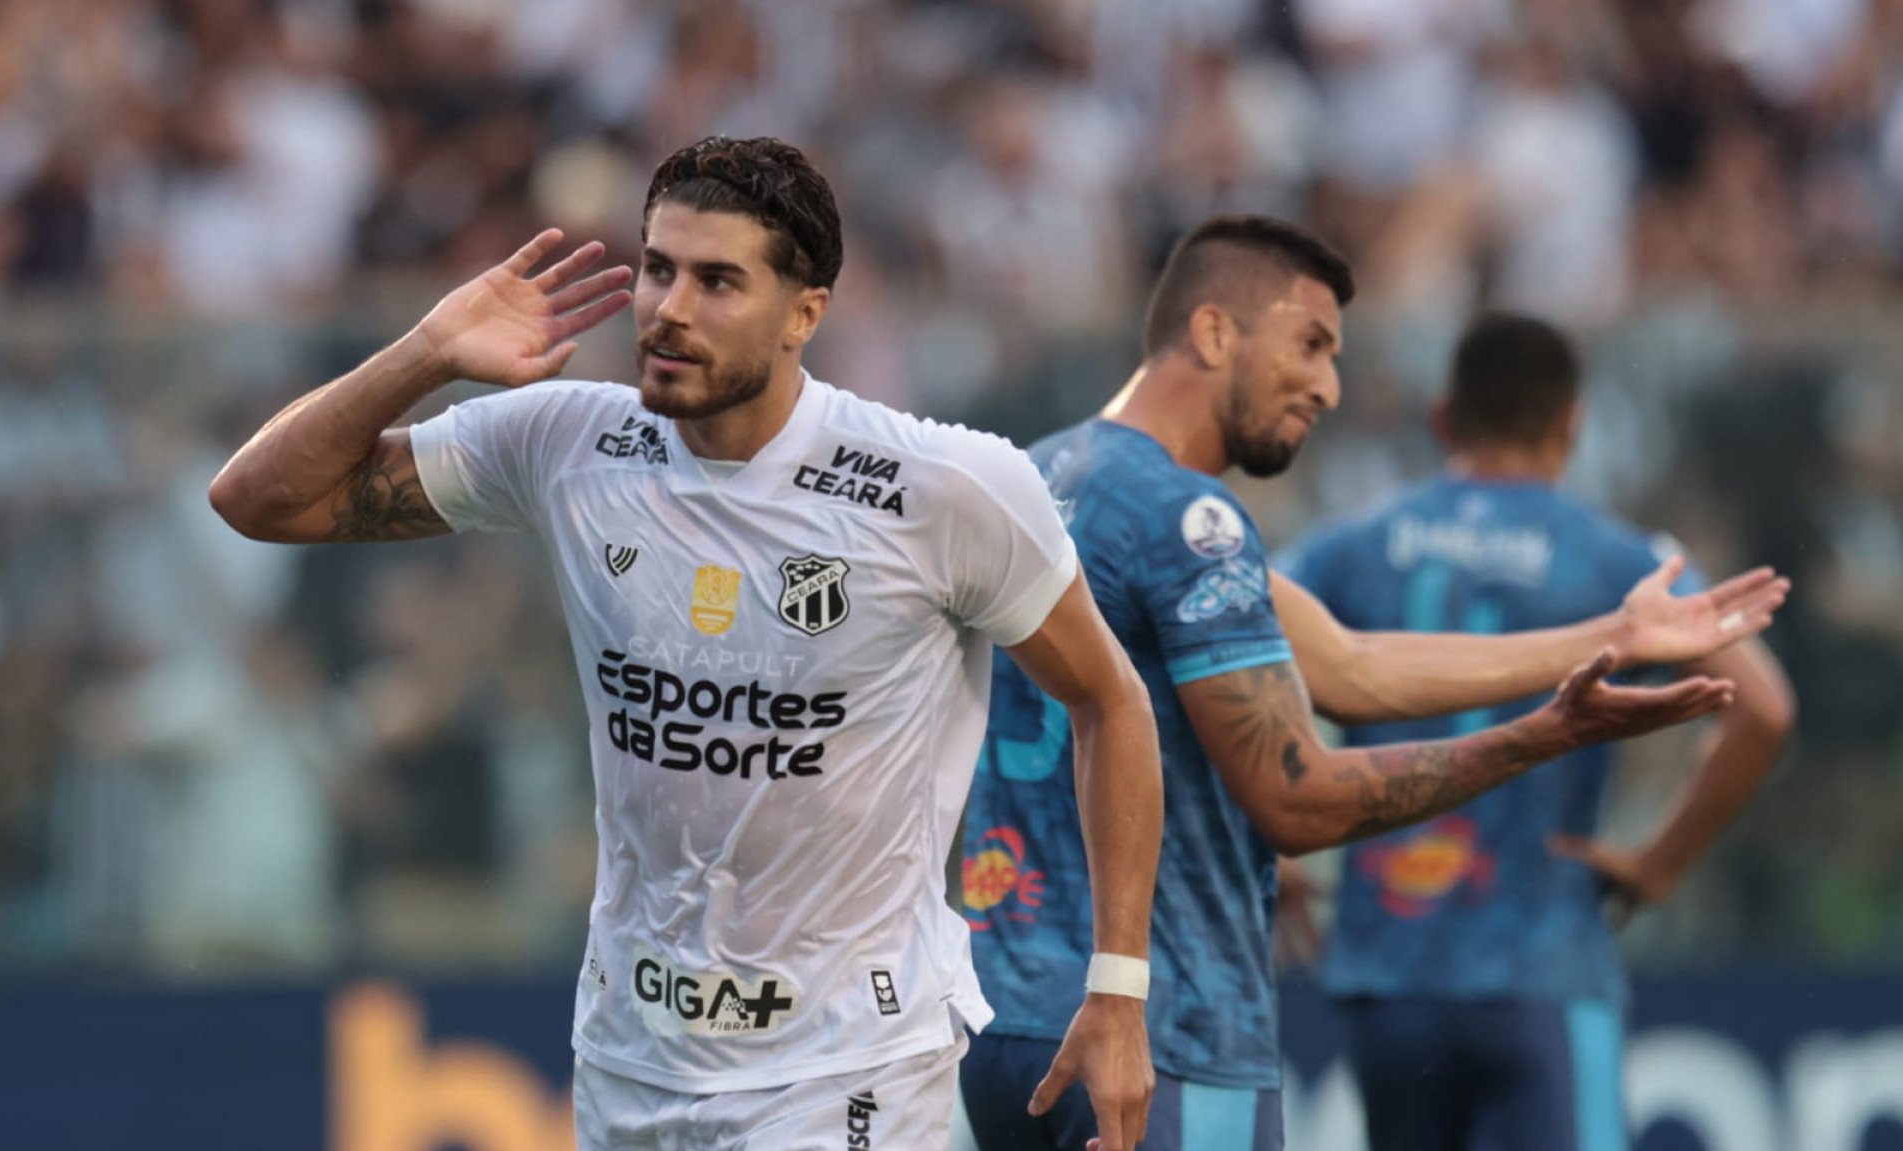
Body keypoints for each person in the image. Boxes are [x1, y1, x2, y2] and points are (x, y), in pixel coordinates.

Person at [209, 136, 1167, 1151]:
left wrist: (1117, 989)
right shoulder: (567, 441)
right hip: (631, 1056)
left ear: (807, 311)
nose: (669, 308)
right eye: (658, 269)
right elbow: (257, 498)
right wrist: (428, 353)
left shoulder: (943, 488)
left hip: (849, 1063)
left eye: (718, 282)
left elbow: (1111, 698)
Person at [955, 216, 1785, 1151]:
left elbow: (1347, 666)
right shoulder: (1190, 518)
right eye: (1310, 345)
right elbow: (1297, 798)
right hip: (1160, 1033)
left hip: (1005, 1021)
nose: (1328, 385)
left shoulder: (1027, 477)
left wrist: (1614, 636)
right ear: (1216, 331)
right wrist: (1541, 734)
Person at [1279, 313, 1795, 1151]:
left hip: (1388, 964)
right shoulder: (1622, 561)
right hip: (1540, 961)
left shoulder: (1351, 544)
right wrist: (1658, 863)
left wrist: (1275, 833)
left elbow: (1231, 649)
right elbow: (1765, 710)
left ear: (1444, 418)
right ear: (1573, 423)